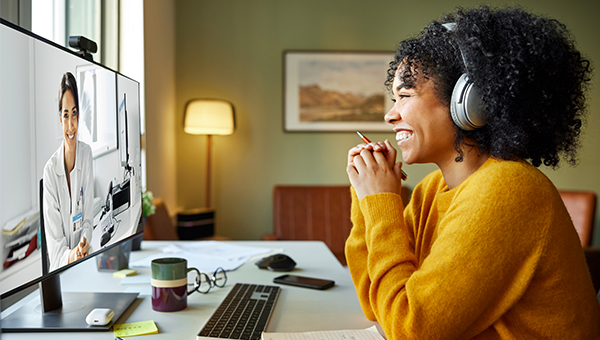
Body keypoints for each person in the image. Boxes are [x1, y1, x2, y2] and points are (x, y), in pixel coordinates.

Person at [345, 6, 600, 339]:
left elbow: (410, 329)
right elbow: (378, 302)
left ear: (469, 101)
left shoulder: (508, 188)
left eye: (405, 95)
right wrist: (368, 200)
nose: (389, 116)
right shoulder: (431, 189)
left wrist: (381, 201)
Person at [43, 72, 94, 271]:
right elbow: (56, 251)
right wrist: (73, 255)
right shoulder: (50, 172)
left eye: (74, 113)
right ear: (60, 118)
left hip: (84, 261)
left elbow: (88, 219)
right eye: (66, 115)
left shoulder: (86, 155)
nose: (71, 124)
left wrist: (83, 243)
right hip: (61, 271)